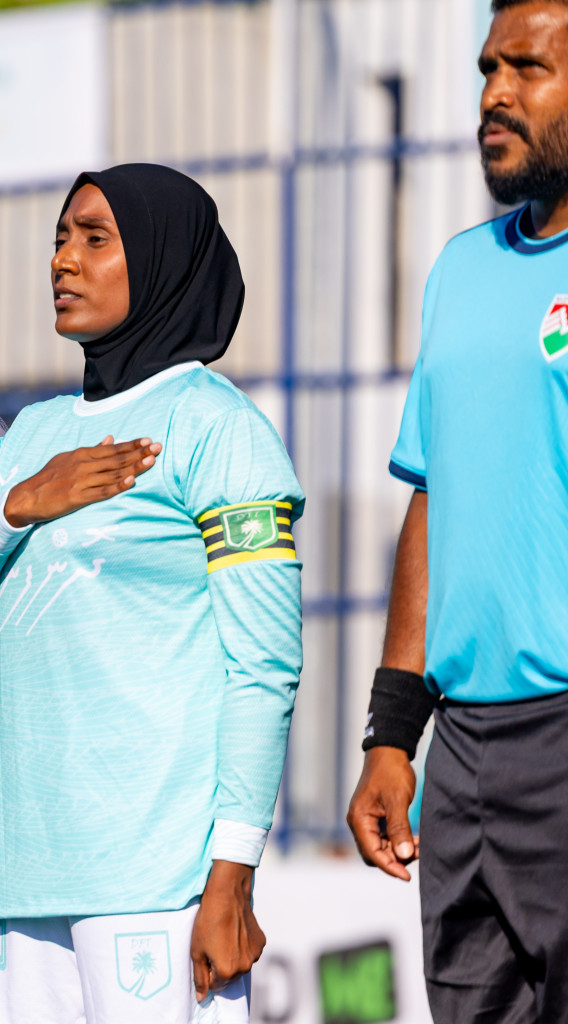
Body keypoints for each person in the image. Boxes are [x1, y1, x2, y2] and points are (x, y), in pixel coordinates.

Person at [0, 164, 304, 1024]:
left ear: (160, 261)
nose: (63, 261)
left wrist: (233, 871)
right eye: (58, 238)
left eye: (95, 239)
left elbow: (262, 669)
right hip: (23, 880)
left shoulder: (218, 430)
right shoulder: (33, 438)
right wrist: (14, 508)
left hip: (157, 882)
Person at [346, 3, 568, 1020]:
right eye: (488, 67)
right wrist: (393, 735)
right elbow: (436, 497)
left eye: (529, 67)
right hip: (464, 750)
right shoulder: (460, 269)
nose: (495, 93)